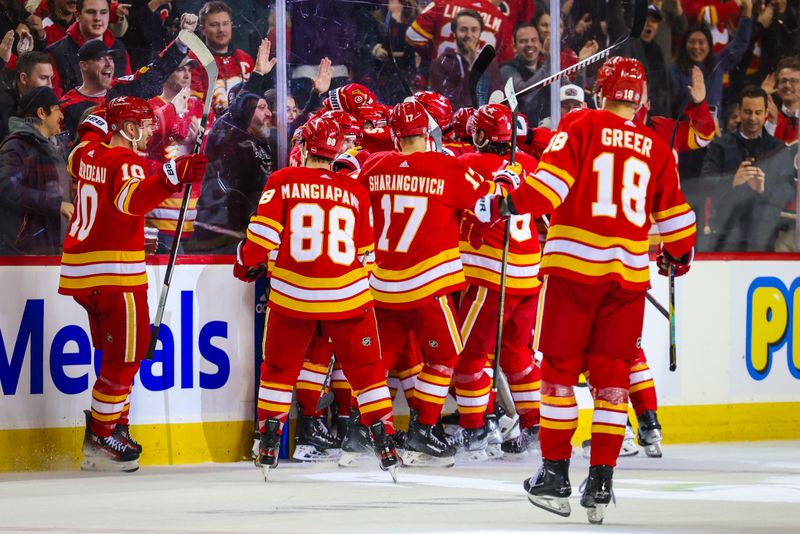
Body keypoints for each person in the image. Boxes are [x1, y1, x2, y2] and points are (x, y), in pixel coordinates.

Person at [473, 57, 696, 524]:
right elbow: (676, 221)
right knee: (613, 381)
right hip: (627, 281)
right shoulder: (655, 147)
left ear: (600, 91)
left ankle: (554, 475)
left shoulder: (581, 124)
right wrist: (678, 256)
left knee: (557, 375)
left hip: (574, 272)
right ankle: (602, 481)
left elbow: (548, 189)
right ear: (640, 100)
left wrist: (504, 201)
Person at [234, 117, 400, 482]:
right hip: (348, 298)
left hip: (294, 297)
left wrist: (244, 261)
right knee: (367, 371)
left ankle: (267, 441)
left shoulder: (282, 181)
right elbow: (367, 256)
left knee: (279, 369)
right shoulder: (354, 190)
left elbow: (259, 242)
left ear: (306, 148)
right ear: (336, 151)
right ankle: (384, 440)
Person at [58, 96, 206, 472]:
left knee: (114, 355)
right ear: (125, 128)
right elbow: (131, 203)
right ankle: (101, 437)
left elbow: (84, 143)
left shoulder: (88, 154)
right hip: (116, 274)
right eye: (141, 124)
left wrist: (103, 119)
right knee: (127, 355)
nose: (149, 130)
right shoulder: (126, 161)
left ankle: (116, 427)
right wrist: (172, 177)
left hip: (81, 272)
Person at [357, 100, 502, 467]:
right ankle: (423, 430)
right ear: (428, 132)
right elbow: (486, 201)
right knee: (445, 356)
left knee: (379, 360)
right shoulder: (446, 166)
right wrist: (505, 178)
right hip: (427, 284)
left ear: (396, 134)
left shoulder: (374, 165)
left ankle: (365, 431)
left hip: (382, 283)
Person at [454, 103, 543, 460]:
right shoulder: (531, 165)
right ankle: (535, 426)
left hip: (489, 277)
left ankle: (477, 432)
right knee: (518, 356)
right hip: (527, 278)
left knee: (469, 357)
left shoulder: (468, 165)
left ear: (478, 135)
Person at [702, 85, 797, 252]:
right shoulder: (720, 146)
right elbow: (706, 184)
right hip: (725, 237)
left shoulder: (779, 149)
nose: (753, 118)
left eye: (758, 112)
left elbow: (788, 191)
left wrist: (763, 189)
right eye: (748, 112)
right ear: (739, 111)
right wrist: (733, 181)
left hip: (764, 239)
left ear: (767, 113)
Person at [191, 90, 272, 253]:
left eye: (268, 108)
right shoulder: (231, 139)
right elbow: (234, 117)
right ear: (246, 111)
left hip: (249, 230)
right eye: (261, 108)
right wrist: (256, 77)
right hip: (222, 233)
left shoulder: (266, 143)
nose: (269, 113)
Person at [0, 86, 70, 255]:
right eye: (56, 110)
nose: (61, 116)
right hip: (26, 254)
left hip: (49, 248)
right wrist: (56, 204)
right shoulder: (17, 146)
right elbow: (6, 188)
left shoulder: (49, 145)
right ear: (41, 113)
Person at [145, 57, 203, 253]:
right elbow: (147, 147)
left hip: (190, 216)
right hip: (159, 215)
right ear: (166, 73)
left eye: (189, 70)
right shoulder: (151, 108)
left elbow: (212, 157)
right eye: (180, 69)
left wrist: (199, 144)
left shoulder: (199, 109)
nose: (187, 74)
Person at [668, 0, 753, 118]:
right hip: (683, 132)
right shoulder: (673, 71)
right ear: (684, 45)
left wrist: (747, 13)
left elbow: (739, 44)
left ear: (709, 45)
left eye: (701, 42)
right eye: (692, 42)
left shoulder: (718, 64)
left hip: (714, 133)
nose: (696, 47)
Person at [48, 0, 132, 97]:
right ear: (77, 15)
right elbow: (54, 104)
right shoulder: (57, 53)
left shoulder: (119, 48)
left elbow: (128, 92)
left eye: (103, 12)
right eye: (91, 12)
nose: (98, 18)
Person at [190, 1, 254, 119]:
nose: (221, 29)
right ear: (202, 29)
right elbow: (194, 104)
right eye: (214, 25)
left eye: (225, 23)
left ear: (231, 25)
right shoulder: (195, 59)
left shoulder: (245, 59)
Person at [428, 10, 502, 109]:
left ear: (480, 33)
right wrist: (471, 65)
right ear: (454, 33)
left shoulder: (489, 63)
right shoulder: (441, 64)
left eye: (474, 30)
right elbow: (451, 103)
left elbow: (497, 97)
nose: (469, 35)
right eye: (463, 30)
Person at [405, 0, 513, 63]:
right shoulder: (503, 21)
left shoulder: (443, 3)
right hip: (478, 93)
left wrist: (434, 56)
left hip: (440, 83)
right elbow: (505, 63)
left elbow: (412, 36)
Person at [0, 51, 54, 143]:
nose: (50, 85)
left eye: (51, 78)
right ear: (24, 78)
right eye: (43, 78)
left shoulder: (47, 104)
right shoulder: (3, 106)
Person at [764, 56, 800, 144]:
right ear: (777, 85)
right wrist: (761, 95)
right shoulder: (766, 117)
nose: (787, 85)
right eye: (783, 81)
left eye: (793, 81)